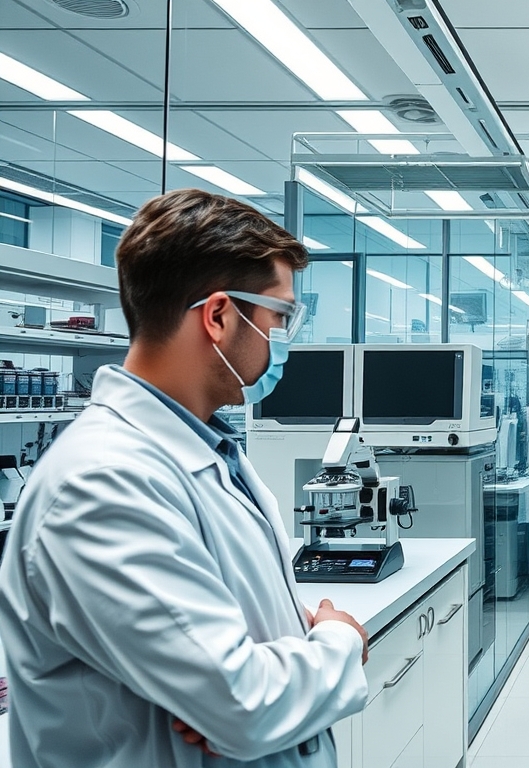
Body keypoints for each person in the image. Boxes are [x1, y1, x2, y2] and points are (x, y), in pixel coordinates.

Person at [0, 189, 370, 767]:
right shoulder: (102, 484)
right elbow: (245, 705)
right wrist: (339, 640)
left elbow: (236, 673)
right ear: (220, 316)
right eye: (282, 315)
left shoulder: (211, 452)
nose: (287, 337)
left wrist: (273, 652)